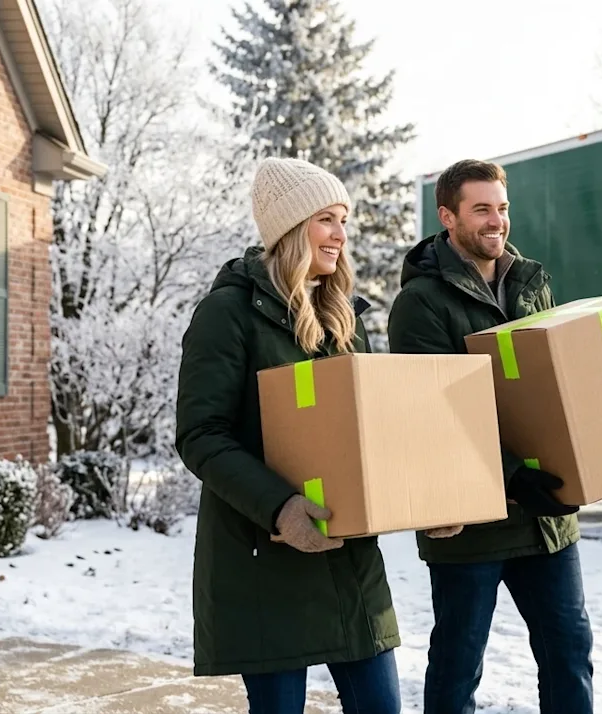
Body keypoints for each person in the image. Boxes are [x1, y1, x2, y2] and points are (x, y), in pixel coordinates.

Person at [175, 157, 401, 714]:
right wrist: (280, 509)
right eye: (326, 219)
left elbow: (368, 428)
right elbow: (201, 434)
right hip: (266, 559)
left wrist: (421, 499)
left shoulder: (346, 317)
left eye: (343, 220)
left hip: (349, 562)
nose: (340, 235)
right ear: (291, 228)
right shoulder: (227, 313)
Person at [386, 159, 593, 714]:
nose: (495, 221)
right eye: (481, 209)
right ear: (448, 216)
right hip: (468, 519)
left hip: (546, 517)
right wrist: (510, 476)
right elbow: (433, 409)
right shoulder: (421, 302)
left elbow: (551, 386)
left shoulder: (531, 282)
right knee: (459, 662)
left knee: (570, 653)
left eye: (501, 208)